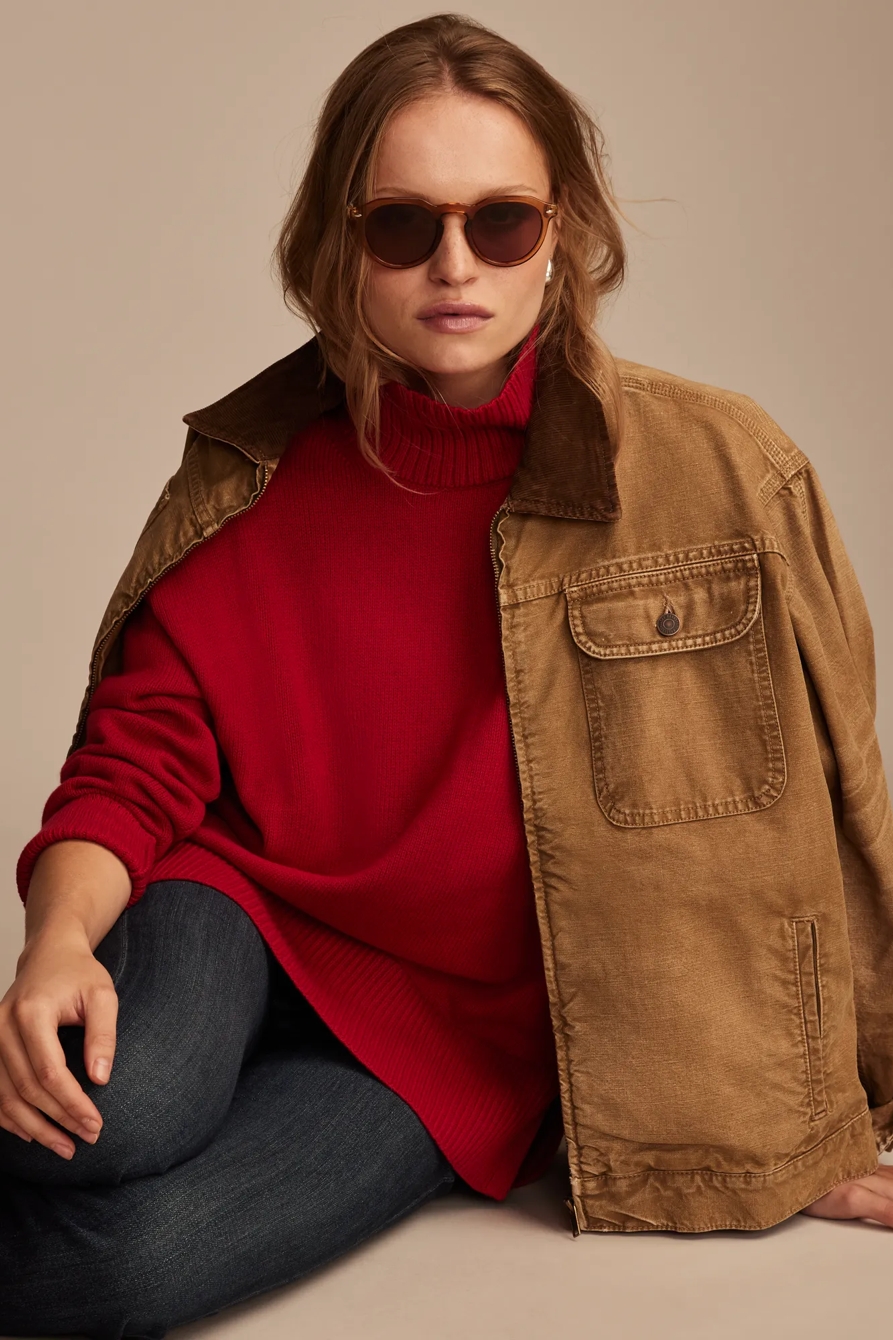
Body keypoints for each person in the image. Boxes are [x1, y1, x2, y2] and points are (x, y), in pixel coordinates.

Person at [3, 11, 893, 1338]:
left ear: (564, 232)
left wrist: (819, 1113)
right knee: (106, 1120)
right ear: (340, 242)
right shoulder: (248, 474)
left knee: (128, 1274)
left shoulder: (718, 470)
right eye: (403, 226)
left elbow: (820, 815)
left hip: (462, 1039)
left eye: (502, 222)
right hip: (239, 909)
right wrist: (57, 943)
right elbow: (140, 756)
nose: (455, 265)